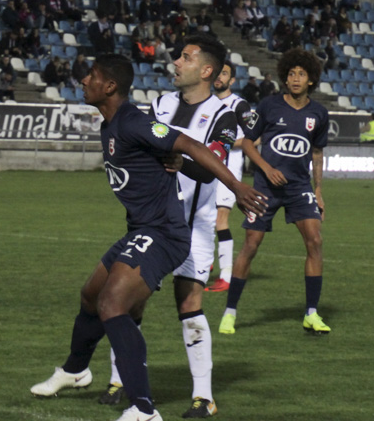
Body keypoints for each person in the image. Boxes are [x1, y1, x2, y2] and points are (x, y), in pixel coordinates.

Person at [30, 54, 267, 421]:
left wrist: (236, 186)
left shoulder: (132, 122)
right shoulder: (112, 124)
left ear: (109, 86)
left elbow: (190, 146)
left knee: (113, 305)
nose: (83, 81)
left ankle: (143, 409)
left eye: (90, 76)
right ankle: (75, 370)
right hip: (142, 229)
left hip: (165, 233)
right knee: (91, 294)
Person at [99, 35, 241, 419]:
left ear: (206, 71)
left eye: (186, 57)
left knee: (189, 302)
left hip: (194, 226)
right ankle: (120, 381)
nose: (176, 62)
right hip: (153, 220)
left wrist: (183, 161)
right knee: (130, 299)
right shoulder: (159, 104)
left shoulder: (224, 115)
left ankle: (203, 396)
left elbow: (211, 164)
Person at [219, 48, 331, 336]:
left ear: (310, 80)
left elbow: (317, 153)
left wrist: (318, 190)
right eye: (291, 73)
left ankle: (311, 314)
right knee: (251, 245)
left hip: (298, 187)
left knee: (315, 241)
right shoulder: (269, 106)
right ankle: (230, 313)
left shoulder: (318, 114)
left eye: (301, 74)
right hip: (265, 188)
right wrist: (266, 169)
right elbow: (246, 144)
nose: (295, 79)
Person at [208, 62, 252, 295]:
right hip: (206, 169)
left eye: (224, 73)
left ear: (232, 80)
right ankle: (206, 261)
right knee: (201, 218)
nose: (219, 77)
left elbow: (252, 138)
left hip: (228, 172)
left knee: (220, 220)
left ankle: (225, 276)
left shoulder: (239, 105)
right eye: (218, 72)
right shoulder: (208, 102)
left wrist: (219, 144)